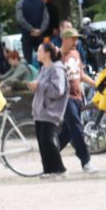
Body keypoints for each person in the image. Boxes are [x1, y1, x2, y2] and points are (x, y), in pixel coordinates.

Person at [57, 28, 97, 173]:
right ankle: (85, 161)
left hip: (78, 96)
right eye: (73, 39)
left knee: (67, 132)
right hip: (65, 98)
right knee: (76, 128)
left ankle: (51, 154)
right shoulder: (57, 55)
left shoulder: (76, 53)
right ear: (65, 39)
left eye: (76, 39)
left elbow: (80, 74)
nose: (76, 42)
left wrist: (94, 83)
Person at [29, 42, 68, 177]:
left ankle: (59, 168)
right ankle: (48, 170)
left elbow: (58, 90)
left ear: (47, 53)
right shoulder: (43, 68)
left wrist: (40, 85)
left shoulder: (57, 69)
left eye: (39, 51)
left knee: (47, 139)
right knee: (42, 141)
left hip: (51, 111)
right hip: (40, 111)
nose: (37, 54)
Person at [15, 0, 49, 64]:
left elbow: (20, 19)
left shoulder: (20, 3)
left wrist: (31, 29)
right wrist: (40, 30)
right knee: (43, 59)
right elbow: (46, 18)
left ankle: (31, 75)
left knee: (27, 61)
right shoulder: (41, 2)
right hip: (39, 35)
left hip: (27, 34)